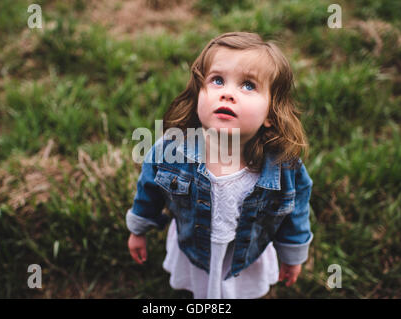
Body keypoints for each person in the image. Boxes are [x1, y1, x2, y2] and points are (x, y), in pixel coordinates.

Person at [126, 32, 314, 299]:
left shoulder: (283, 166)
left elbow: (295, 211)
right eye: (217, 80)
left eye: (248, 85)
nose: (228, 93)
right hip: (194, 246)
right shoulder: (171, 151)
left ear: (271, 114)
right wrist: (138, 230)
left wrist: (292, 255)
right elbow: (148, 191)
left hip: (245, 252)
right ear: (197, 95)